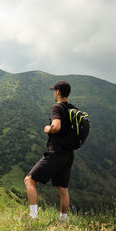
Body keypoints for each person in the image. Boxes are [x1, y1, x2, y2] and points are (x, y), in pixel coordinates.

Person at [24, 80, 75, 221]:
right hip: (68, 154)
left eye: (54, 91)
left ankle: (32, 217)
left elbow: (56, 126)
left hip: (56, 152)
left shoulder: (57, 108)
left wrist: (48, 128)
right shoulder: (73, 109)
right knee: (63, 189)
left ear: (58, 92)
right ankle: (62, 221)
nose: (54, 93)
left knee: (29, 180)